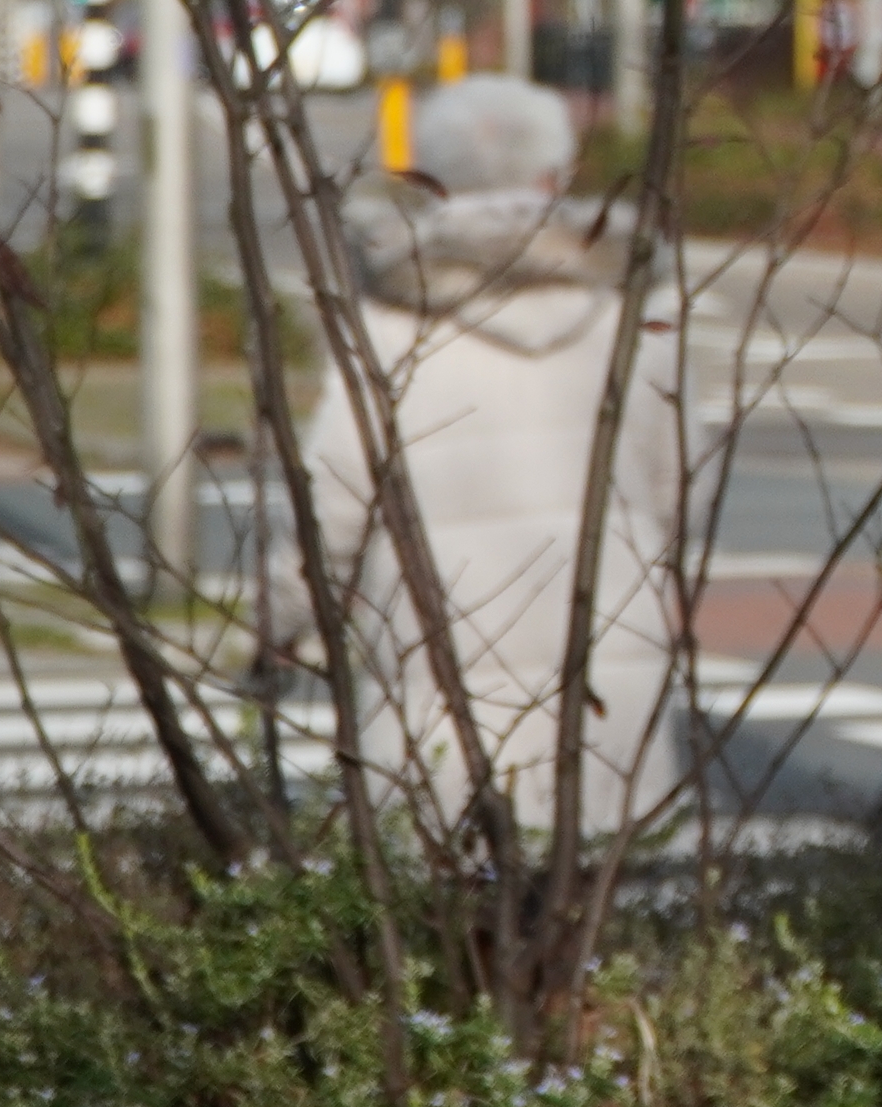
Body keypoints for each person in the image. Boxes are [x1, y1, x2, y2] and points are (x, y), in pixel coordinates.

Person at [293, 75, 687, 830]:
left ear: (432, 181)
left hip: (432, 675)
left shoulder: (391, 324)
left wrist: (289, 616)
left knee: (442, 880)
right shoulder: (635, 313)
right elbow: (677, 487)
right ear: (554, 175)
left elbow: (331, 502)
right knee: (603, 879)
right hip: (609, 671)